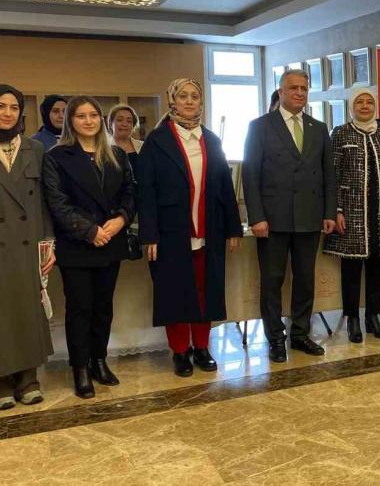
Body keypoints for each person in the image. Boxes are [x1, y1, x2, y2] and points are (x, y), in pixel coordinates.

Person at [137, 79, 243, 377]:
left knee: (205, 289)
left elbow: (225, 187)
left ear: (201, 102)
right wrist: (149, 234)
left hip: (209, 230)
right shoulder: (157, 141)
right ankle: (180, 350)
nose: (188, 101)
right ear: (172, 100)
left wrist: (233, 228)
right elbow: (146, 191)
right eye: (182, 96)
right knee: (175, 291)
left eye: (194, 96)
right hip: (171, 232)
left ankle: (203, 347)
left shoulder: (211, 140)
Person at [42, 95, 135, 399]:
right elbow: (57, 203)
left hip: (111, 241)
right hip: (77, 246)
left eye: (93, 115)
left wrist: (121, 219)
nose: (88, 121)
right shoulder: (56, 157)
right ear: (70, 121)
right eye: (81, 116)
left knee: (103, 307)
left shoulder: (116, 154)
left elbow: (130, 193)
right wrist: (90, 231)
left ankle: (99, 360)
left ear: (101, 119)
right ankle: (80, 368)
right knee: (80, 309)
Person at [243, 69, 336, 362]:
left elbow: (328, 174)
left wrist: (329, 211)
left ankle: (300, 334)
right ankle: (275, 338)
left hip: (309, 216)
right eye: (293, 88)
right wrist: (256, 217)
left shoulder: (318, 128)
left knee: (305, 279)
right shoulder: (260, 126)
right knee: (272, 281)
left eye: (304, 89)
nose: (299, 93)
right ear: (281, 92)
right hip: (272, 219)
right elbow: (250, 175)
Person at [324, 88, 380, 342]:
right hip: (351, 213)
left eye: (369, 102)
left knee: (376, 266)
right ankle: (352, 319)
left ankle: (373, 316)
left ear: (375, 106)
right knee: (351, 269)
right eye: (359, 102)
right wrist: (336, 209)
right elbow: (332, 174)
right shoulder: (340, 133)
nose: (364, 106)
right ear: (352, 106)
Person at [0, 85, 55, 410]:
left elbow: (46, 201)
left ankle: (28, 377)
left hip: (29, 243)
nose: (7, 113)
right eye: (1, 106)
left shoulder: (35, 148)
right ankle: (3, 379)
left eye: (13, 107)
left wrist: (49, 243)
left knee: (29, 309)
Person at [107, 104, 143, 173]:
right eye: (120, 120)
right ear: (111, 123)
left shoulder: (143, 147)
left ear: (133, 126)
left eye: (129, 121)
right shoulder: (103, 148)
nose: (124, 124)